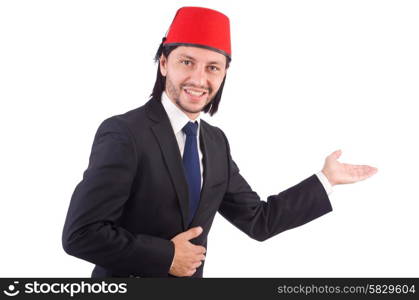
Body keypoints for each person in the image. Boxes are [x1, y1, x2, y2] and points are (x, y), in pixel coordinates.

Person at [62, 6, 377, 278]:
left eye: (212, 67)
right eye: (187, 62)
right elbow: (81, 234)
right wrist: (166, 256)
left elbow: (258, 220)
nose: (199, 79)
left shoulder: (214, 142)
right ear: (163, 63)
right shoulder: (124, 133)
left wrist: (326, 180)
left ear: (224, 73)